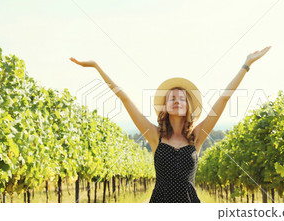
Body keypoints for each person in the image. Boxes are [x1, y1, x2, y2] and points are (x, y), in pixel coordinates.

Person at [70, 46, 271, 203]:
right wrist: (97, 66)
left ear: (188, 107)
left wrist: (246, 64)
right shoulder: (154, 135)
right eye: (171, 98)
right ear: (164, 107)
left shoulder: (197, 137)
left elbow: (224, 99)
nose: (176, 100)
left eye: (181, 98)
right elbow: (124, 98)